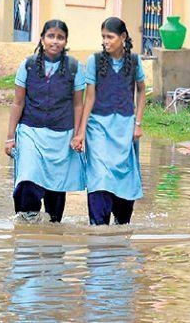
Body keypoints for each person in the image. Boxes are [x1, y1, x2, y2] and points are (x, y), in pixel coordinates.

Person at [4, 19, 86, 223]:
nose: (55, 41)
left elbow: (78, 105)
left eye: (60, 37)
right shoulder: (28, 65)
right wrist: (9, 137)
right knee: (28, 179)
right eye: (51, 36)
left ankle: (52, 236)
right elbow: (18, 102)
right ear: (42, 39)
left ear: (66, 42)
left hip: (61, 135)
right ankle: (26, 227)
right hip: (30, 131)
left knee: (56, 188)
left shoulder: (74, 68)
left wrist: (78, 134)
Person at [72, 17, 146, 226]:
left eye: (110, 37)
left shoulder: (134, 60)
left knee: (125, 175)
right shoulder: (95, 61)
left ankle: (121, 223)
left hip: (125, 127)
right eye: (103, 37)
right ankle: (98, 226)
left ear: (123, 37)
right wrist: (81, 132)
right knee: (100, 177)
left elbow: (141, 92)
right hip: (99, 127)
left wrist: (137, 124)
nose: (106, 41)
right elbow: (90, 97)